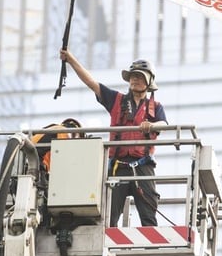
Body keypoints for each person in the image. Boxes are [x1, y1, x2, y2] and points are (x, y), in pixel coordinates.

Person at [59, 49, 167, 226]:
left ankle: (151, 250)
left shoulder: (155, 107)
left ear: (149, 81)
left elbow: (164, 124)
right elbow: (91, 83)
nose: (134, 79)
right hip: (118, 167)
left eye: (139, 76)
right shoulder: (116, 100)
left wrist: (152, 125)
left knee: (149, 217)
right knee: (109, 219)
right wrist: (70, 59)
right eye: (132, 76)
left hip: (143, 167)